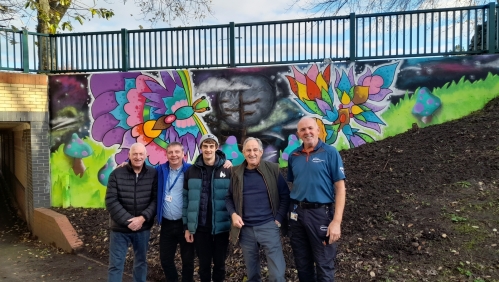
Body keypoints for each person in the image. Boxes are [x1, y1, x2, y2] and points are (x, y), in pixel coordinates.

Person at [287, 117, 346, 282]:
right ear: (298, 134)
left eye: (310, 128)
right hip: (297, 215)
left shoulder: (330, 153)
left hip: (320, 214)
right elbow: (295, 184)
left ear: (318, 130)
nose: (307, 132)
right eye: (303, 130)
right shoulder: (294, 156)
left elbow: (340, 188)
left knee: (324, 264)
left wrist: (336, 222)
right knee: (302, 264)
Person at [225, 137, 290, 282]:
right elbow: (228, 198)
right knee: (253, 274)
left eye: (255, 150)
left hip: (269, 226)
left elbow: (285, 196)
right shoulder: (236, 173)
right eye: (248, 150)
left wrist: (278, 220)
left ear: (261, 152)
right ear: (243, 152)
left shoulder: (272, 170)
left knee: (277, 275)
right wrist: (234, 215)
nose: (252, 153)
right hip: (246, 229)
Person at [105, 143, 157, 282]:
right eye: (135, 154)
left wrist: (142, 218)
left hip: (142, 228)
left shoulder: (153, 174)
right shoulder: (116, 173)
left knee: (141, 263)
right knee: (116, 265)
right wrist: (129, 221)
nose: (138, 157)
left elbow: (155, 200)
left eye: (141, 154)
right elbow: (111, 201)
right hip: (120, 229)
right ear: (129, 155)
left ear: (146, 156)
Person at [183, 133, 232, 282]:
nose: (208, 149)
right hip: (200, 228)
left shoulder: (228, 170)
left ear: (216, 148)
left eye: (212, 146)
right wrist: (187, 227)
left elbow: (235, 198)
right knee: (204, 266)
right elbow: (186, 200)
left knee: (220, 266)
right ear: (201, 147)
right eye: (205, 146)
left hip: (221, 228)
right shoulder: (191, 171)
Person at [156, 142, 195, 282]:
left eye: (177, 152)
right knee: (165, 260)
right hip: (166, 224)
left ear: (183, 154)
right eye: (170, 152)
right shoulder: (160, 170)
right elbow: (142, 169)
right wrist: (125, 164)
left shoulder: (191, 170)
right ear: (166, 154)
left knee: (188, 262)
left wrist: (225, 161)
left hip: (185, 225)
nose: (174, 155)